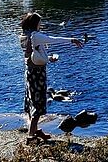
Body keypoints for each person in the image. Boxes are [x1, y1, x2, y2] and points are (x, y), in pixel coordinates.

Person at [20, 12, 83, 141]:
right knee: (38, 105)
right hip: (37, 75)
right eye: (39, 23)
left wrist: (47, 58)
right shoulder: (35, 36)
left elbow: (31, 57)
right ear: (35, 23)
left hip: (30, 74)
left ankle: (36, 131)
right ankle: (31, 137)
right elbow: (52, 39)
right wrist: (71, 40)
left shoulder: (24, 36)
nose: (40, 25)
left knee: (32, 102)